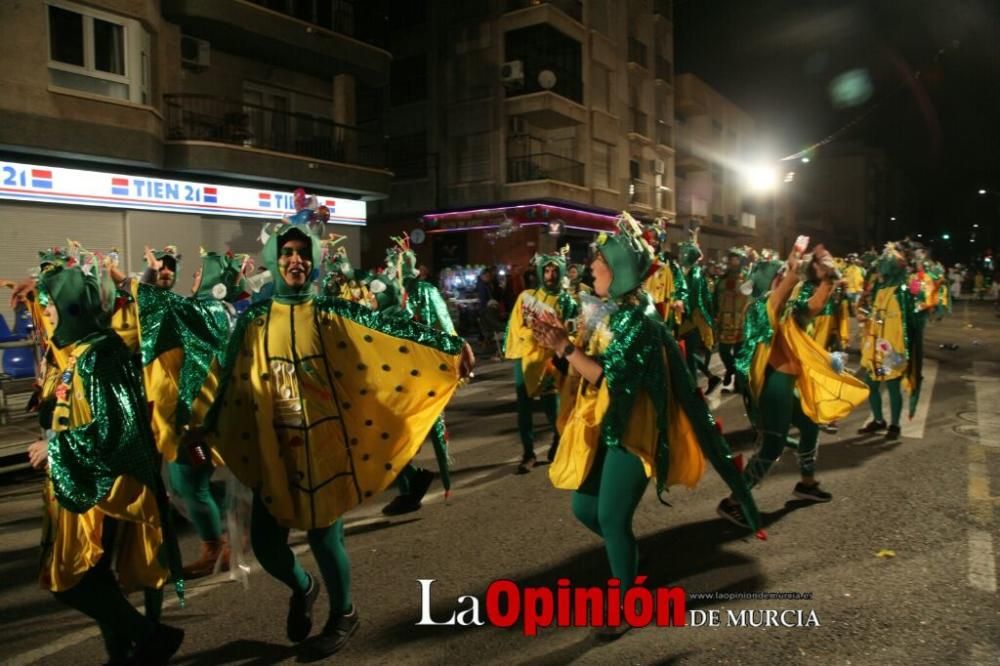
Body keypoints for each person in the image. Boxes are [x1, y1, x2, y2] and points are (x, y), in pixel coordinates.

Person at [198, 205, 474, 658]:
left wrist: (448, 345)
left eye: (303, 254)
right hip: (273, 446)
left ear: (313, 261)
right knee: (267, 545)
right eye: (286, 252)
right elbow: (230, 377)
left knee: (326, 536)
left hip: (321, 442)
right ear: (273, 258)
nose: (295, 260)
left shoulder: (327, 310)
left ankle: (344, 612)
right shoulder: (253, 320)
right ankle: (303, 587)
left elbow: (389, 330)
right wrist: (203, 427)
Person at [531, 213, 760, 638]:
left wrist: (563, 347)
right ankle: (629, 562)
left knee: (612, 519)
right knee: (585, 509)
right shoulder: (606, 310)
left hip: (636, 433)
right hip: (605, 425)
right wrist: (559, 344)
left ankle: (624, 604)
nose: (591, 267)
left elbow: (608, 377)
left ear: (616, 272)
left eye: (598, 262)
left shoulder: (637, 319)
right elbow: (586, 366)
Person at [28, 257, 185, 664]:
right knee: (95, 580)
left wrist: (56, 448)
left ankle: (150, 636)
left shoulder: (100, 356)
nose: (45, 314)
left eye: (50, 306)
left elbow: (119, 429)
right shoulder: (78, 352)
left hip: (101, 485)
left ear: (72, 307)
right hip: (78, 479)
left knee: (73, 581)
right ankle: (124, 652)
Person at [718, 245, 869, 527]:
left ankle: (807, 483)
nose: (784, 277)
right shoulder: (759, 308)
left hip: (789, 383)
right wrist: (794, 272)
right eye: (779, 275)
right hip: (774, 384)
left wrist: (828, 280)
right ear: (770, 281)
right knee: (772, 446)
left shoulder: (786, 305)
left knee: (810, 423)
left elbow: (812, 307)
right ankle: (733, 501)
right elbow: (774, 303)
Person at [504, 247, 580, 472]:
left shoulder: (568, 303)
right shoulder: (526, 298)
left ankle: (558, 442)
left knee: (553, 409)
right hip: (526, 360)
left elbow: (574, 333)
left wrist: (558, 341)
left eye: (554, 271)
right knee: (524, 410)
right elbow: (516, 327)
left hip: (550, 363)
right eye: (546, 271)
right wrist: (534, 336)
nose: (550, 275)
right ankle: (528, 454)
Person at [858, 243, 925, 441]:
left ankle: (895, 425)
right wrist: (865, 314)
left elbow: (917, 314)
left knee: (893, 385)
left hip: (893, 350)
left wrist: (918, 291)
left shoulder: (905, 290)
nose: (880, 271)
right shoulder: (880, 288)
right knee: (871, 384)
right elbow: (875, 314)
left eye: (883, 267)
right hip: (876, 349)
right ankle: (879, 420)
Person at [676, 229, 721, 393]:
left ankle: (693, 390)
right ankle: (709, 377)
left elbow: (694, 299)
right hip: (690, 319)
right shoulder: (689, 272)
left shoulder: (694, 275)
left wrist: (684, 313)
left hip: (692, 319)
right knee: (684, 353)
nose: (680, 256)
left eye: (683, 253)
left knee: (687, 355)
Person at [714, 247, 751, 392]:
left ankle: (739, 384)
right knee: (723, 350)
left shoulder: (747, 278)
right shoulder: (722, 279)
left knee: (739, 353)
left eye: (735, 259)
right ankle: (731, 370)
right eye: (731, 259)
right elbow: (715, 298)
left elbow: (752, 299)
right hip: (725, 320)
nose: (732, 262)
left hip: (741, 321)